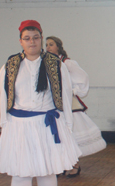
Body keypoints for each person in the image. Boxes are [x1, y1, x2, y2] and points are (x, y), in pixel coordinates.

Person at [0, 20, 81, 186]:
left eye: (35, 37)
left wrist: (67, 126)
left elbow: (65, 92)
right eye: (27, 38)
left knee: (46, 171)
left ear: (41, 38)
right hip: (20, 125)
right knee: (21, 174)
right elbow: (2, 92)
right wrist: (5, 124)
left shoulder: (55, 63)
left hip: (46, 123)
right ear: (20, 41)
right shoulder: (11, 64)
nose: (32, 42)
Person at [46, 36, 107, 178]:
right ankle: (60, 165)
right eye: (47, 44)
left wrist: (73, 91)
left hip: (68, 105)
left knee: (70, 135)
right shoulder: (46, 63)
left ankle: (75, 164)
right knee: (57, 135)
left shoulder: (67, 63)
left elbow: (83, 77)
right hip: (52, 105)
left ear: (58, 47)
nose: (48, 47)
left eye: (51, 44)